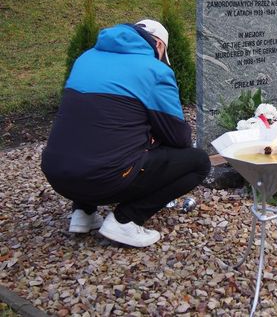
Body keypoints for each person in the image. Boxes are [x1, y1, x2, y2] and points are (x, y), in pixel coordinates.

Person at [41, 19, 210, 247]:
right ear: (159, 45)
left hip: (57, 174)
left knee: (93, 135)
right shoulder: (155, 70)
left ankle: (84, 212)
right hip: (106, 178)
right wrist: (152, 136)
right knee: (198, 163)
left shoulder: (85, 58)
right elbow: (179, 138)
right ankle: (126, 220)